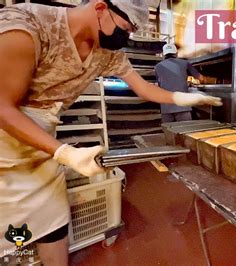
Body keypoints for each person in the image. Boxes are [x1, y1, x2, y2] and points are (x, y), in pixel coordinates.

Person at [0, 0, 221, 264]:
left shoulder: (106, 51)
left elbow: (143, 88)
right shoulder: (27, 26)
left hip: (41, 139)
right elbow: (3, 106)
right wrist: (65, 152)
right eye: (125, 29)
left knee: (54, 223)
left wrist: (181, 98)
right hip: (6, 135)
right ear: (101, 7)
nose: (125, 38)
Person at [155, 43, 213, 123]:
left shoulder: (158, 67)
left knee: (169, 132)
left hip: (166, 107)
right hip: (182, 106)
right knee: (185, 131)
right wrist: (208, 81)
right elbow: (201, 78)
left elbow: (161, 84)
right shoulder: (185, 63)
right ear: (176, 53)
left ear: (164, 55)